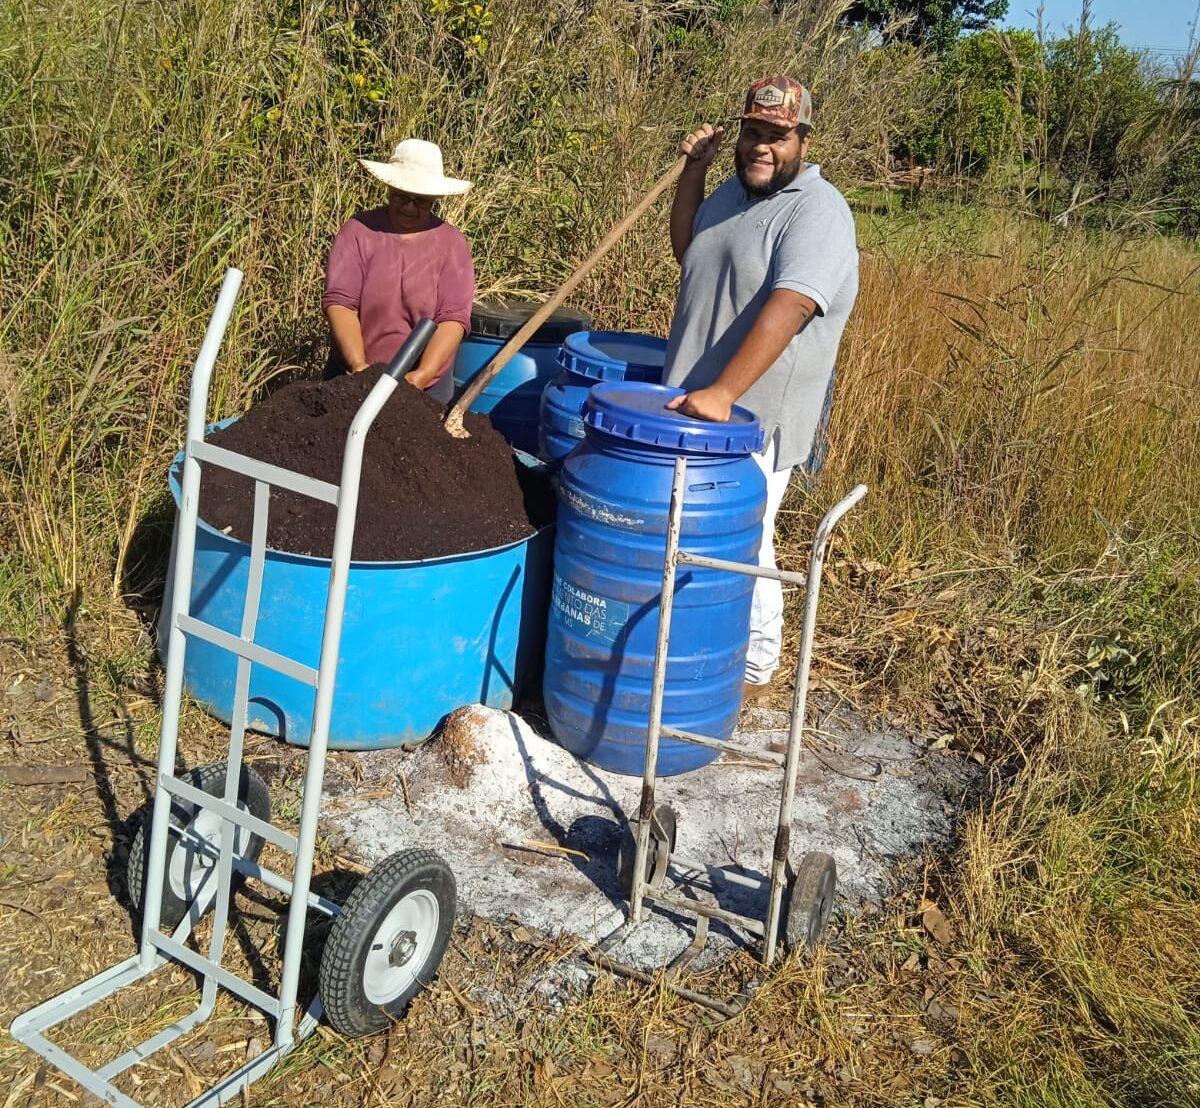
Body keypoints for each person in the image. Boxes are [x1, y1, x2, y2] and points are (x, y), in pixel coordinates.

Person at [663, 76, 859, 702]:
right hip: (697, 404)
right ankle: (702, 646)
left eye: (776, 136)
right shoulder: (733, 195)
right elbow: (692, 253)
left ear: (802, 138)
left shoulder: (817, 210)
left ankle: (756, 668)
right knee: (697, 533)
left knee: (748, 535)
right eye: (752, 133)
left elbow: (795, 302)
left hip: (755, 414)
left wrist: (724, 392)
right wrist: (693, 173)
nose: (761, 147)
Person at [323, 138, 475, 403]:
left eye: (421, 201)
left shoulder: (452, 244)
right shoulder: (359, 232)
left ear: (434, 199)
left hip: (424, 388)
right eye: (401, 197)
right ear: (389, 189)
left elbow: (453, 319)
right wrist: (359, 368)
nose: (408, 207)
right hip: (352, 377)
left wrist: (421, 376)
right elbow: (341, 303)